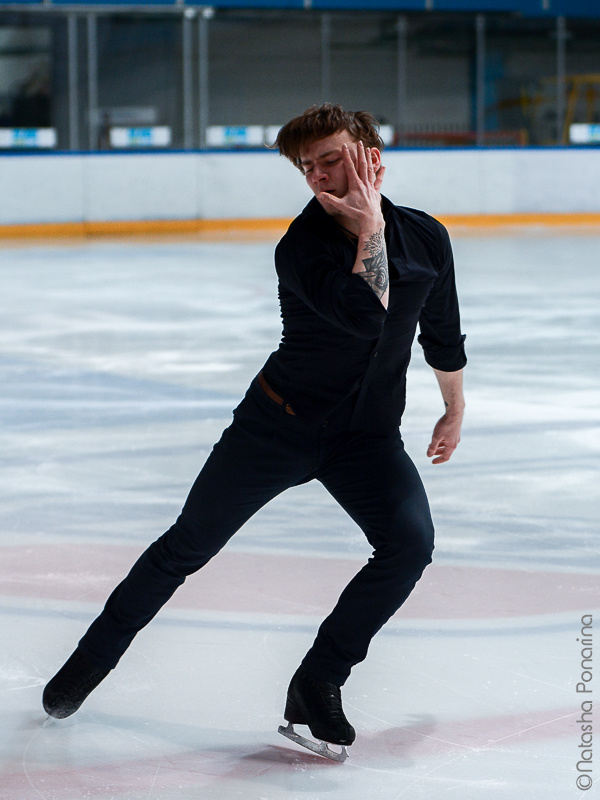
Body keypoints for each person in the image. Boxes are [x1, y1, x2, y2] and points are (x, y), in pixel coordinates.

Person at [43, 104, 466, 757]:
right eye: (310, 167)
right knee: (186, 547)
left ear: (371, 154)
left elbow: (440, 328)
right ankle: (87, 664)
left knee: (409, 544)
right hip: (277, 428)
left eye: (333, 159)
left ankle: (319, 679)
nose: (322, 176)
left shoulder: (427, 237)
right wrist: (370, 226)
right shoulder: (302, 247)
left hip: (367, 440)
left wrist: (453, 407)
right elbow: (365, 312)